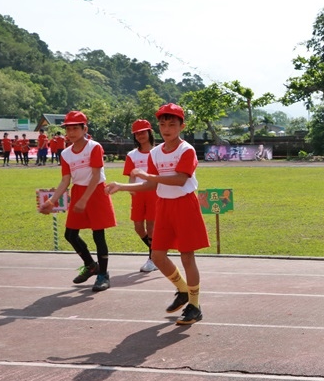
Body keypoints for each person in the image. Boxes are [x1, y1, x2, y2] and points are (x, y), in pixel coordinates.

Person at [107, 103, 210, 325]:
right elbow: (150, 185)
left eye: (172, 124)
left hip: (185, 205)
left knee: (187, 256)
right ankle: (182, 290)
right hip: (163, 205)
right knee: (157, 256)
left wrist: (150, 177)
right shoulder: (155, 153)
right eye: (163, 124)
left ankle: (194, 305)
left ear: (182, 126)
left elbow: (181, 179)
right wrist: (122, 186)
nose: (167, 128)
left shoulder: (186, 150)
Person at [39, 111, 117, 293]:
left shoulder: (94, 147)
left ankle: (103, 275)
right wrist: (51, 201)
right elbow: (66, 179)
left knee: (99, 235)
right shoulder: (65, 154)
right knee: (70, 234)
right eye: (68, 129)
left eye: (76, 128)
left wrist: (84, 200)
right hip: (79, 191)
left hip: (96, 191)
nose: (72, 132)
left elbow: (96, 174)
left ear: (85, 129)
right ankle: (91, 265)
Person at [123, 119, 160, 273]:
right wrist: (131, 188)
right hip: (138, 194)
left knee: (151, 227)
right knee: (138, 227)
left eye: (143, 132)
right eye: (137, 134)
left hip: (154, 193)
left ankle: (153, 259)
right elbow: (131, 175)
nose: (140, 136)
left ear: (149, 132)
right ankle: (158, 253)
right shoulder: (132, 155)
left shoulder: (158, 152)